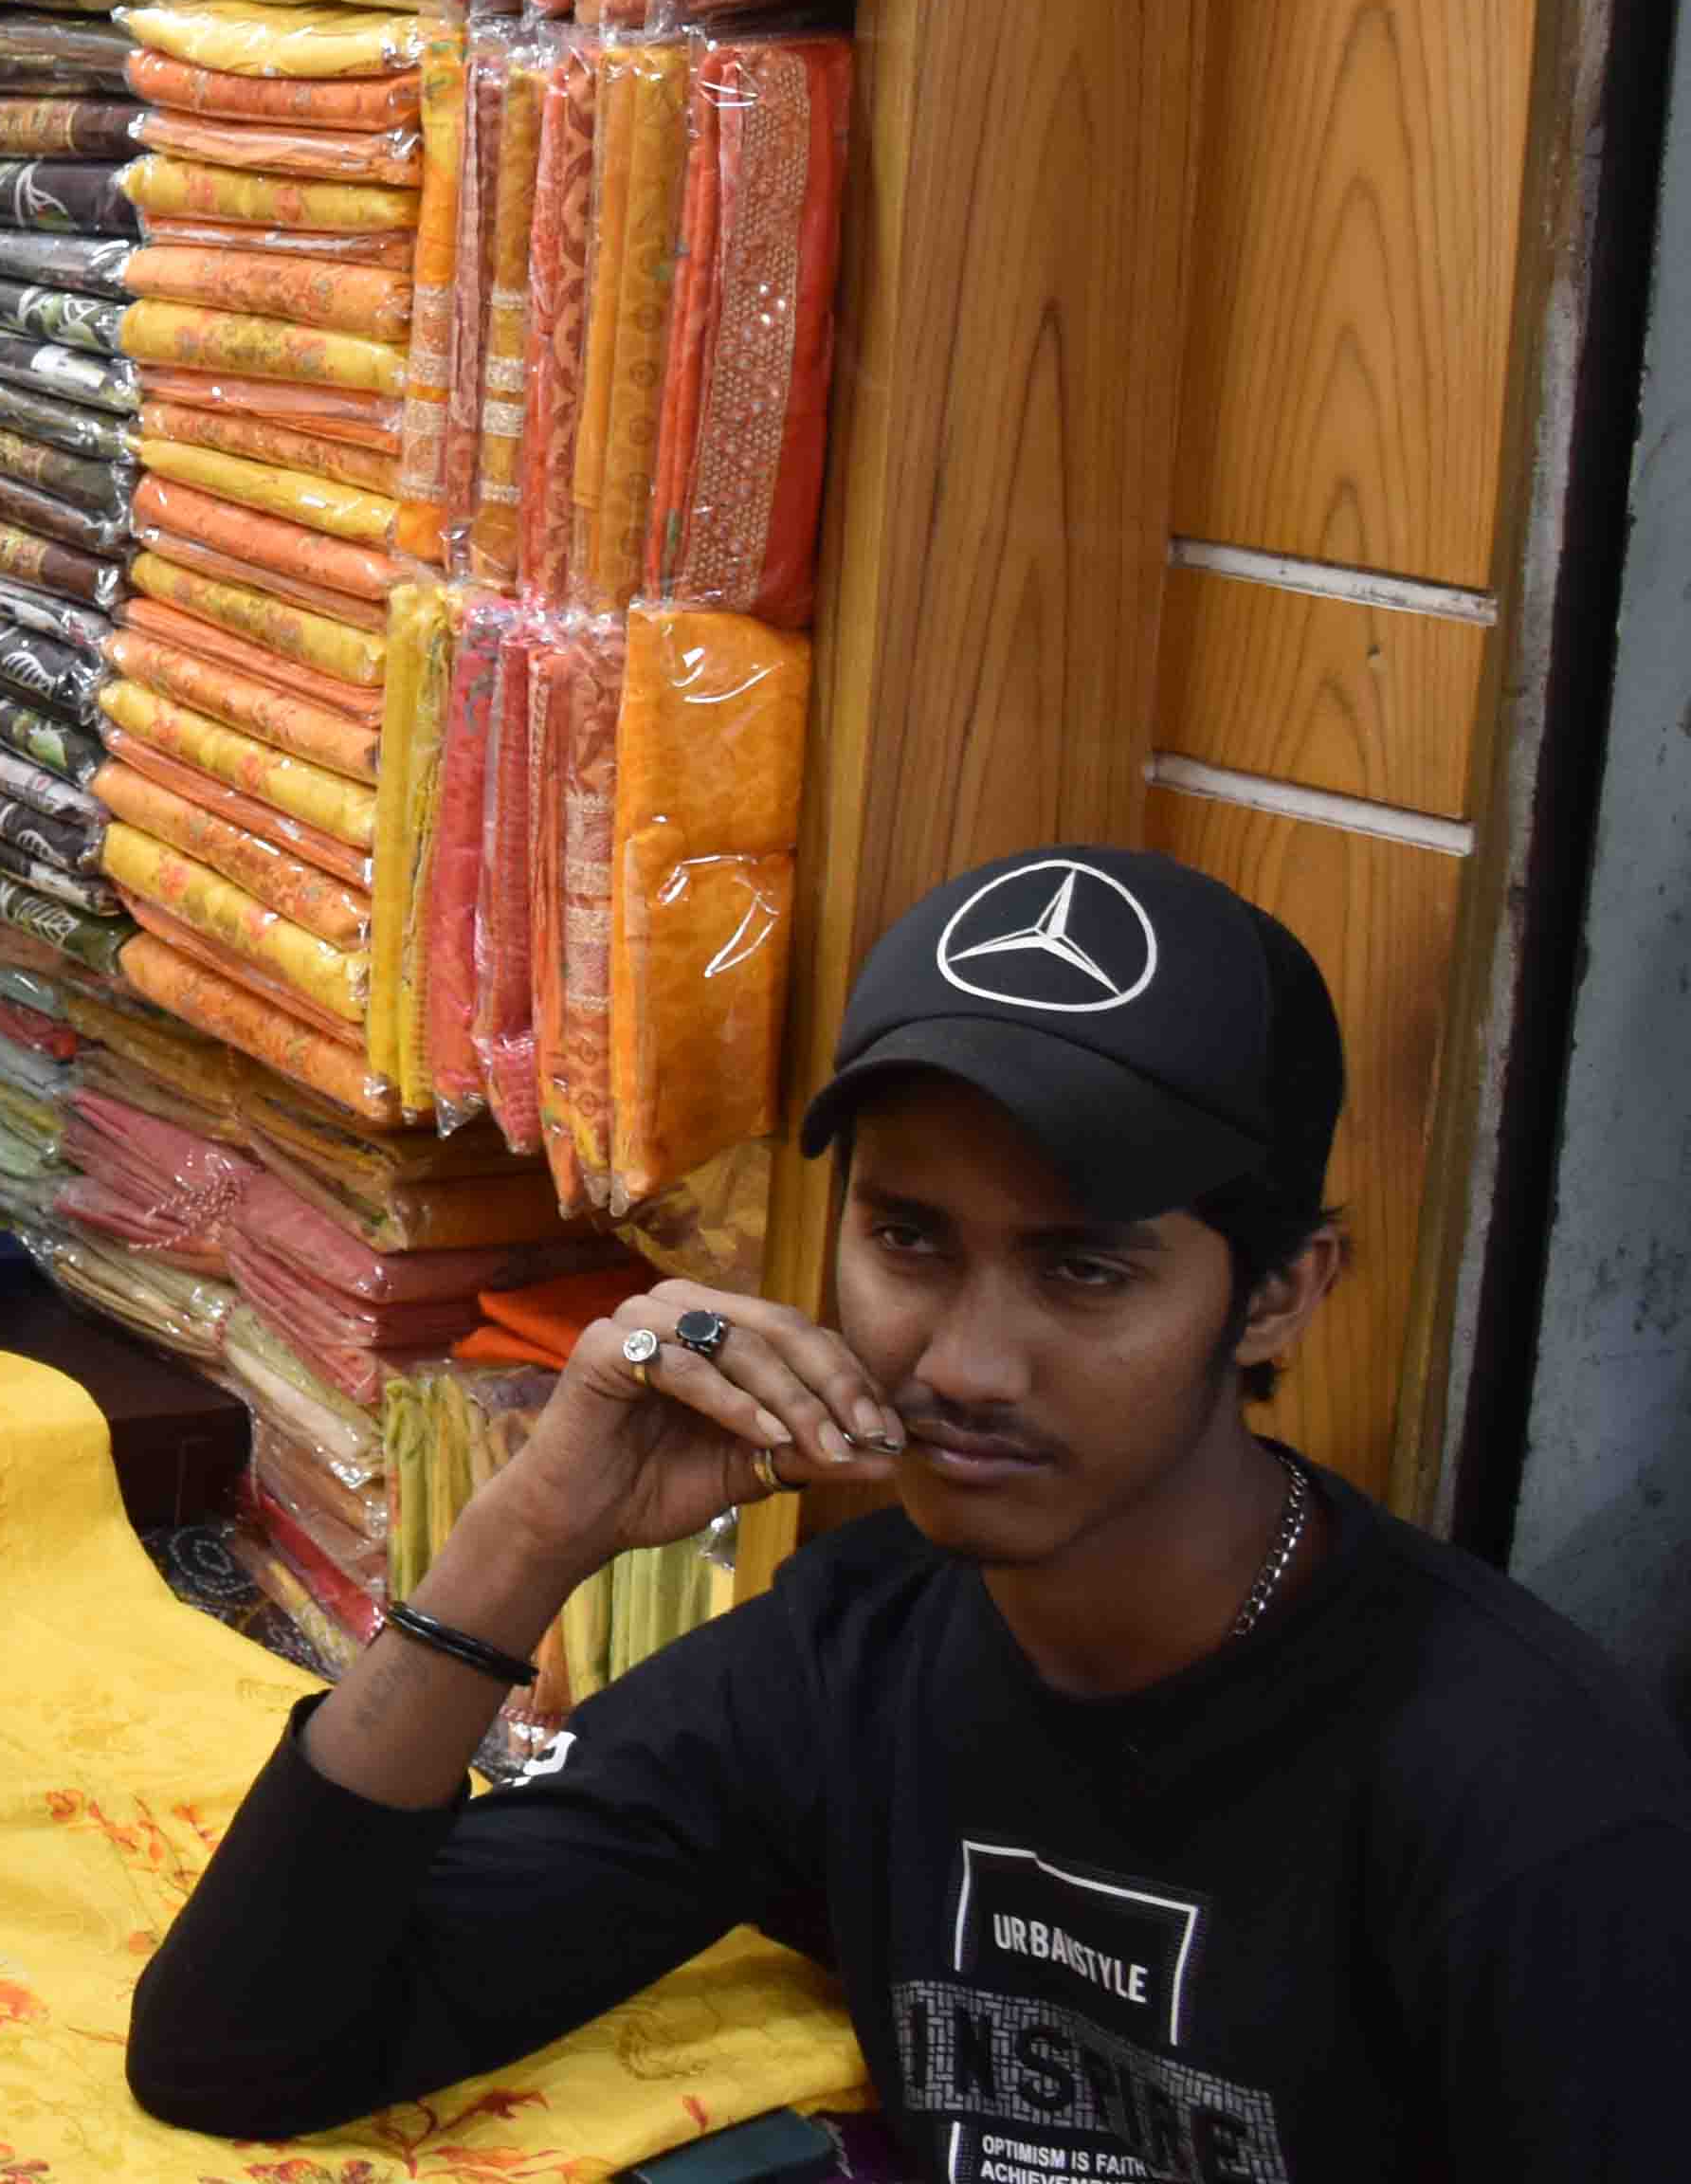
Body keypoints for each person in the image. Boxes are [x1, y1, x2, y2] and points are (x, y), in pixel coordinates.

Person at [127, 846, 1691, 2175]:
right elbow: (243, 2048)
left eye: (1085, 1269)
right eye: (909, 1240)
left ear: (1280, 1293)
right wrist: (530, 1531)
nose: (963, 1365)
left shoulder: (1525, 1797)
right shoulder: (850, 1659)